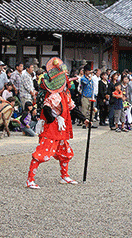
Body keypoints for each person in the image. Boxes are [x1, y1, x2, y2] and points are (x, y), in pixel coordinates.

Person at [26, 58, 88, 189]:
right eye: (67, 82)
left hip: (60, 130)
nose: (68, 84)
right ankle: (30, 179)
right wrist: (53, 120)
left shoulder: (65, 95)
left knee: (65, 153)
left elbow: (73, 108)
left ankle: (64, 176)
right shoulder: (55, 96)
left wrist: (84, 119)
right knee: (42, 153)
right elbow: (46, 109)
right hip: (52, 129)